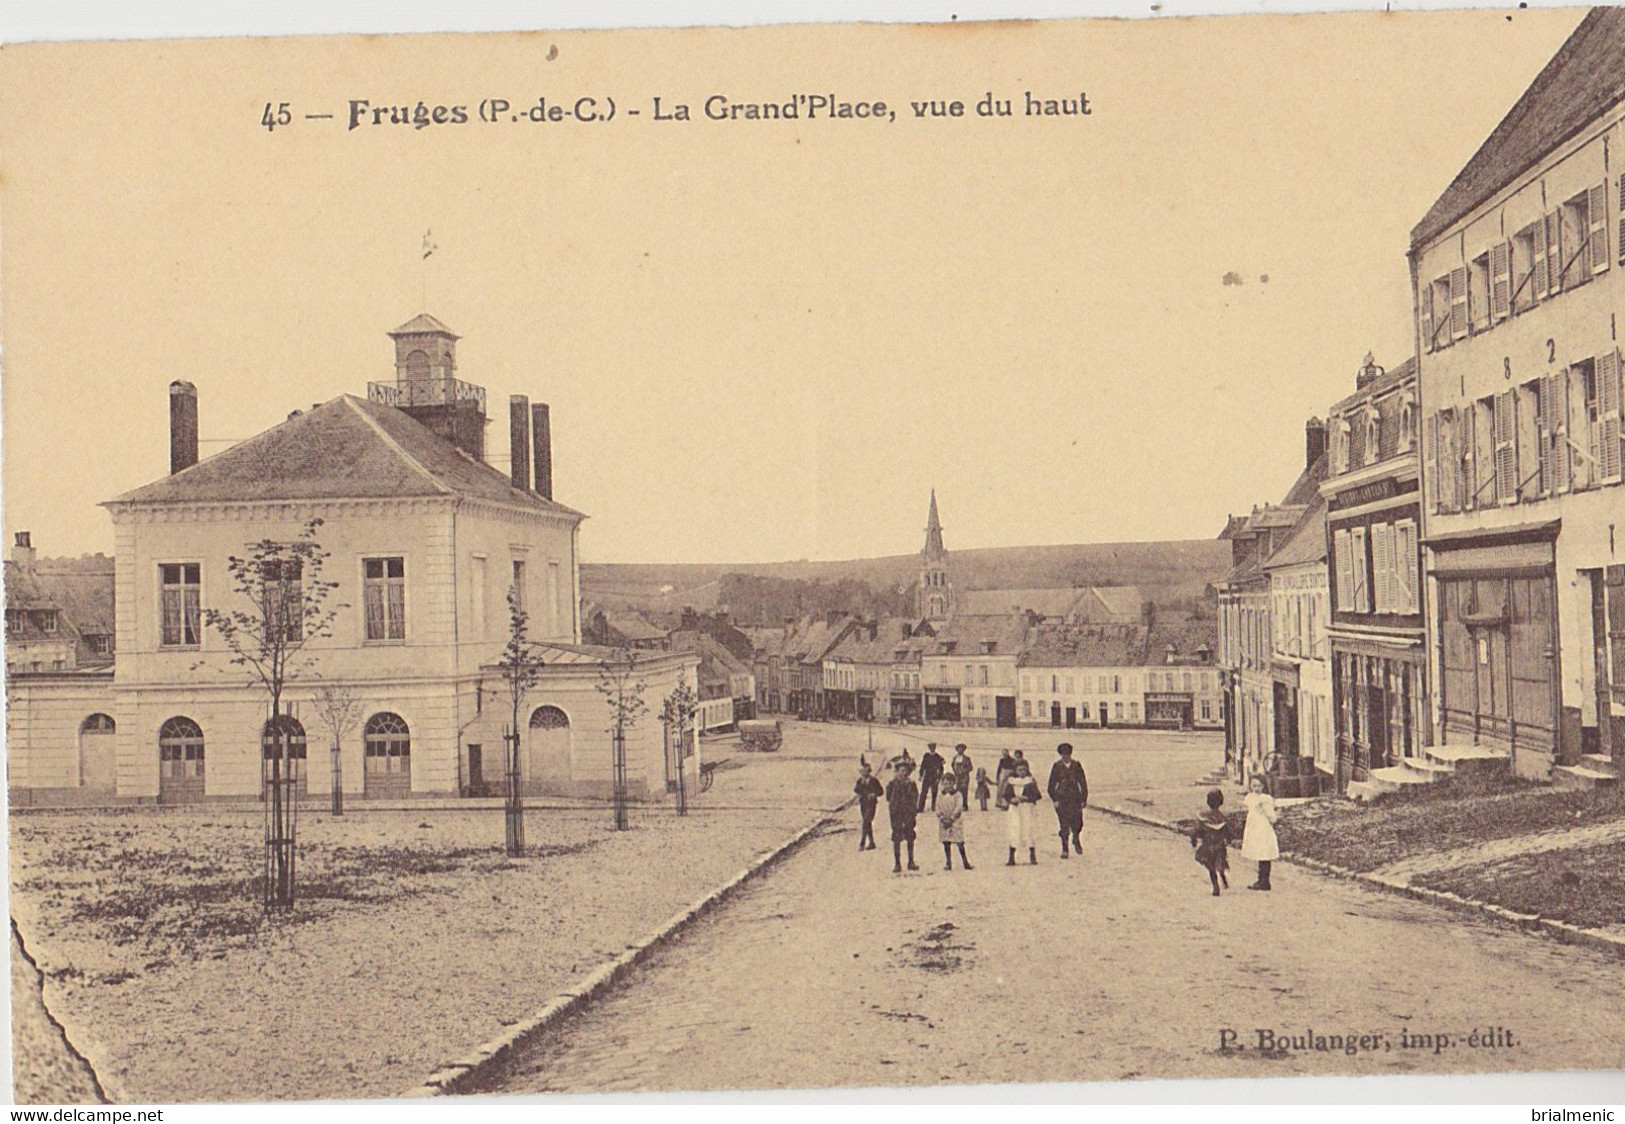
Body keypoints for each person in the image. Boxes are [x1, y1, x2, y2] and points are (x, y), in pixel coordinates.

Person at [1046, 742, 1089, 858]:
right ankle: (1065, 849)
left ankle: (1076, 838)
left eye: (1068, 754)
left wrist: (1084, 799)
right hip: (1062, 799)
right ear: (1060, 755)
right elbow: (1051, 785)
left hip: (1075, 798)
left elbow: (1083, 783)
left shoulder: (1076, 765)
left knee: (1078, 823)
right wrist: (1054, 799)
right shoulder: (1057, 766)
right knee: (1064, 825)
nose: (1066, 756)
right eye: (1064, 754)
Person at [1001, 758, 1042, 866]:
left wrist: (1026, 798)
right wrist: (1011, 800)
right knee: (1014, 831)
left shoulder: (1030, 781)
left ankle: (1032, 856)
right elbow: (1006, 795)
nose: (1022, 772)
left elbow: (1037, 795)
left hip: (1027, 809)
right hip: (1015, 809)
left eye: (1024, 770)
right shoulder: (1011, 782)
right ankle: (1011, 858)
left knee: (1029, 830)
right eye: (1019, 770)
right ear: (1015, 770)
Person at [1190, 788, 1231, 896]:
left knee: (1210, 866)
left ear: (1208, 802)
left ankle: (1216, 887)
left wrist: (1194, 841)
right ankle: (1223, 877)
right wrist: (1228, 840)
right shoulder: (1223, 817)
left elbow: (1197, 831)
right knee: (1220, 862)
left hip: (1207, 845)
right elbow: (1227, 832)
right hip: (1220, 845)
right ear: (1221, 802)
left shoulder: (1203, 817)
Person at [1241, 775, 1279, 891]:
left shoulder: (1265, 799)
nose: (1256, 788)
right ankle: (1260, 879)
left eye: (1259, 786)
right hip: (1254, 828)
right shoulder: (1250, 797)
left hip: (1262, 828)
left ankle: (1265, 881)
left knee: (1264, 854)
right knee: (1258, 852)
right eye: (1254, 785)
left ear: (1263, 786)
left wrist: (1269, 817)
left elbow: (1272, 817)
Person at [886, 759, 921, 873]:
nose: (904, 773)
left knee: (910, 836)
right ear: (897, 772)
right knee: (897, 837)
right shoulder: (892, 784)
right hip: (896, 814)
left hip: (909, 814)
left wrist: (912, 810)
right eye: (901, 771)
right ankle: (897, 863)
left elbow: (916, 798)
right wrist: (894, 807)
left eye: (906, 771)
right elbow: (888, 797)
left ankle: (911, 861)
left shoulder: (912, 784)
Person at [937, 774, 973, 870]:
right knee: (946, 842)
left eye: (950, 783)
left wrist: (952, 818)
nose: (948, 786)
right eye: (945, 784)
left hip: (955, 821)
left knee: (959, 841)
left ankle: (965, 861)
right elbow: (938, 807)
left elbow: (959, 807)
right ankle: (948, 862)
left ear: (954, 783)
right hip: (944, 821)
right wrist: (942, 817)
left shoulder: (958, 795)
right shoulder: (940, 795)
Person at [853, 762, 883, 852]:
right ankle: (872, 842)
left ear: (869, 771)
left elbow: (881, 791)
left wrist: (874, 794)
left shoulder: (874, 780)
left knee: (866, 821)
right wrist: (860, 791)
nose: (864, 773)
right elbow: (856, 790)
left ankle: (862, 842)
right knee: (867, 822)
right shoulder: (859, 781)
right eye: (862, 771)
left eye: (866, 771)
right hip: (863, 803)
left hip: (871, 804)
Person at [918, 743, 945, 811]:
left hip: (934, 776)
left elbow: (941, 768)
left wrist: (939, 777)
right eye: (931, 747)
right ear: (929, 748)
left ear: (935, 748)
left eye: (933, 747)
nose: (932, 749)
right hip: (927, 776)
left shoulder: (937, 757)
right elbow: (922, 766)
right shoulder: (926, 756)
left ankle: (933, 807)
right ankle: (920, 808)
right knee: (923, 792)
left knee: (934, 792)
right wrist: (921, 775)